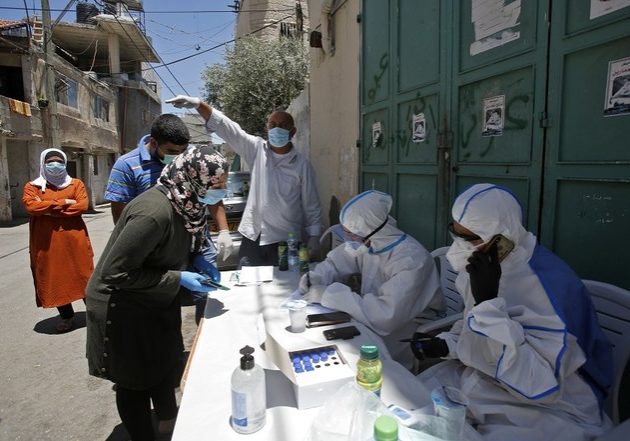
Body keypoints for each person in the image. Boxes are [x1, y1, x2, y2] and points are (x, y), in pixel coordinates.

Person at [411, 183, 613, 441]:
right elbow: (472, 325)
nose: (460, 247)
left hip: (546, 406)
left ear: (502, 236)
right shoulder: (486, 265)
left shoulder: (549, 287)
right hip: (486, 380)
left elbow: (540, 383)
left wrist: (487, 305)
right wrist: (447, 345)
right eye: (456, 233)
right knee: (410, 402)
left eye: (471, 238)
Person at [86, 146, 230, 441]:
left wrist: (197, 258)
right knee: (134, 381)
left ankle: (168, 423)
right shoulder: (153, 212)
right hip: (122, 305)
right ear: (194, 177)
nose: (220, 192)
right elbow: (116, 272)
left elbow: (177, 243)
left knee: (165, 365)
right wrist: (179, 278)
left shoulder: (186, 202)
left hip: (152, 298)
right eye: (215, 185)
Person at [165, 95, 323, 267]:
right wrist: (198, 104)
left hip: (286, 241)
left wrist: (314, 236)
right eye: (272, 125)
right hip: (252, 237)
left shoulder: (302, 165)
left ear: (292, 132)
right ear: (267, 128)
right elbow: (229, 128)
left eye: (283, 126)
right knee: (247, 286)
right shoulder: (256, 149)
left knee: (285, 287)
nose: (277, 129)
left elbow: (311, 204)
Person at [104, 114, 231, 322]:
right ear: (154, 143)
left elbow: (210, 193)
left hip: (192, 242)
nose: (178, 157)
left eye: (182, 151)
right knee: (160, 300)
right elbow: (122, 219)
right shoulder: (127, 167)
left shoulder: (192, 160)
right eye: (172, 152)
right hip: (156, 248)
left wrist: (222, 231)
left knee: (203, 298)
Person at [297, 190, 444, 369]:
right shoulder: (370, 243)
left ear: (372, 231)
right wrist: (316, 276)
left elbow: (386, 315)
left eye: (351, 234)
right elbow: (337, 262)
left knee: (354, 360)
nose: (348, 239)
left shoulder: (412, 260)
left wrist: (329, 295)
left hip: (407, 326)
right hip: (370, 315)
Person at [22, 148, 94, 333]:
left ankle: (96, 314)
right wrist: (64, 203)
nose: (55, 165)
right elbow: (31, 206)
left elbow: (82, 205)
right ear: (43, 164)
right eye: (50, 162)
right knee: (55, 277)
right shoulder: (33, 186)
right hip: (46, 243)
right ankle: (67, 317)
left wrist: (46, 209)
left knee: (84, 275)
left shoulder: (76, 184)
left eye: (59, 161)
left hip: (74, 240)